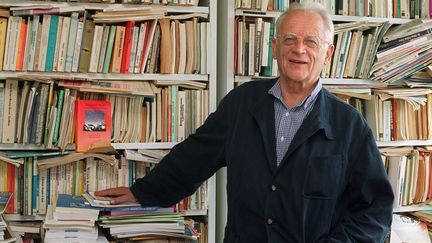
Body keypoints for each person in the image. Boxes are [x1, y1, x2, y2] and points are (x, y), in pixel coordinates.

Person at [96, 3, 394, 242]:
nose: (299, 49)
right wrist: (143, 192)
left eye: (310, 42)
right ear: (275, 48)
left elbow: (374, 211)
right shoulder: (242, 103)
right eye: (289, 39)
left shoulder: (350, 126)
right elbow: (194, 157)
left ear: (327, 53)